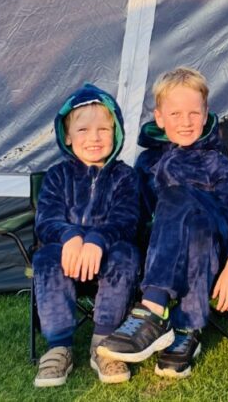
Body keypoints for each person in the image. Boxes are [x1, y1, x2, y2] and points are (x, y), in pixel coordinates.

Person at [97, 67, 228, 379]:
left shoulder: (215, 164)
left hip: (213, 247)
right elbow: (135, 215)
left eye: (194, 113)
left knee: (178, 199)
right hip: (162, 252)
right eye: (176, 113)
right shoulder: (146, 163)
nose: (185, 122)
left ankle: (153, 310)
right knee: (171, 216)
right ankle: (185, 327)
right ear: (159, 117)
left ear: (206, 114)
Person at [31, 84, 141, 388]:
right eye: (83, 130)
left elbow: (127, 219)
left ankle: (104, 343)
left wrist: (97, 239)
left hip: (108, 255)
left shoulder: (125, 176)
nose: (93, 138)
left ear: (116, 132)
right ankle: (59, 346)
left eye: (103, 129)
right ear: (67, 136)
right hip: (65, 255)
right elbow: (46, 221)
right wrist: (71, 236)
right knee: (44, 257)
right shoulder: (57, 176)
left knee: (126, 254)